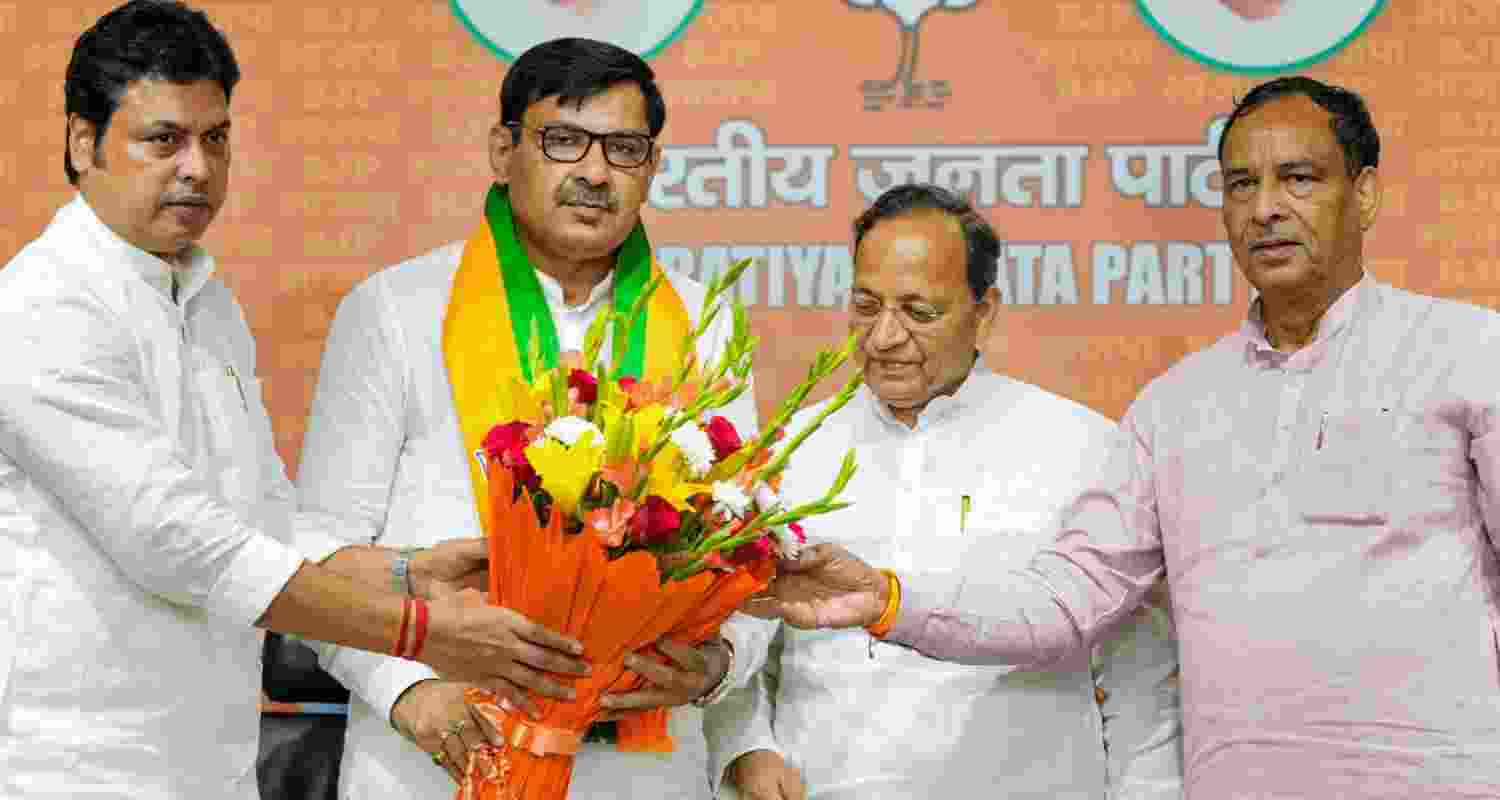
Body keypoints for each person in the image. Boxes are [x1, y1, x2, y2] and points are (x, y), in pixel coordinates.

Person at [748, 76, 1500, 797]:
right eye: (1242, 185)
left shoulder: (1467, 354)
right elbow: (1067, 606)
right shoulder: (1173, 410)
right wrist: (887, 599)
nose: (1267, 208)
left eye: (1299, 179)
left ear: (1364, 194)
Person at [0, 3, 590, 796]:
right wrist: (421, 631)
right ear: (83, 143)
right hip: (78, 766)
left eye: (215, 139)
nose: (198, 168)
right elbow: (176, 541)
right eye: (163, 139)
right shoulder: (42, 306)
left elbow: (262, 521)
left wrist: (406, 571)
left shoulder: (206, 301)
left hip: (211, 761)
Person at [296, 37, 774, 797]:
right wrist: (402, 690)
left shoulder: (705, 325)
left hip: (641, 765)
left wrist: (719, 668)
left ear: (651, 168)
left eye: (623, 148)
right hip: (436, 754)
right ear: (503, 149)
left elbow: (743, 548)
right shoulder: (396, 310)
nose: (594, 172)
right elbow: (316, 552)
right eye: (563, 141)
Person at [704, 184, 1183, 800]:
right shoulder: (791, 448)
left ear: (984, 310)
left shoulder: (1084, 447)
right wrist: (747, 744)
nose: (883, 338)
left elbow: (1140, 675)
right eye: (866, 306)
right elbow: (738, 632)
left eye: (918, 312)